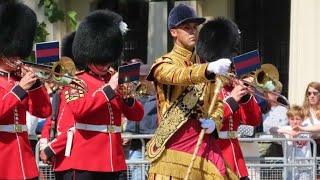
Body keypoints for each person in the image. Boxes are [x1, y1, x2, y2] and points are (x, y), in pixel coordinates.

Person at [41, 9, 144, 180]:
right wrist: (109, 89)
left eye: (108, 60)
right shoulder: (76, 81)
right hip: (86, 160)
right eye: (100, 60)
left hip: (112, 160)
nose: (105, 65)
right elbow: (79, 110)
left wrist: (127, 96)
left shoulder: (112, 79)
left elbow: (137, 115)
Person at [145, 4, 237, 179]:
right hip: (176, 141)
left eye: (195, 27)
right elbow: (178, 75)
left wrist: (214, 123)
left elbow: (216, 103)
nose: (192, 31)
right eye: (186, 28)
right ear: (174, 32)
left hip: (203, 140)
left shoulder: (204, 63)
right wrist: (206, 70)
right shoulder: (163, 63)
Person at [196, 17, 262, 180]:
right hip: (214, 157)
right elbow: (205, 119)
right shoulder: (204, 86)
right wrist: (232, 100)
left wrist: (245, 95)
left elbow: (254, 120)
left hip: (237, 161)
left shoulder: (233, 85)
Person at [0, 1, 52, 179]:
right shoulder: (17, 84)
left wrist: (36, 85)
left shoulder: (18, 79)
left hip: (24, 158)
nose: (18, 57)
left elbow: (44, 111)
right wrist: (19, 89)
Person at [39, 32, 77, 180]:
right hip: (59, 160)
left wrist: (50, 149)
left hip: (72, 159)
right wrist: (44, 146)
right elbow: (51, 120)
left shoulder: (74, 92)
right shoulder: (60, 93)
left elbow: (72, 128)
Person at [123, 58, 158, 180]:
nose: (140, 80)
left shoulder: (159, 96)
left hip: (155, 147)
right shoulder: (133, 94)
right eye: (139, 77)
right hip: (136, 145)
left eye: (143, 77)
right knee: (137, 177)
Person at [277, 105, 311, 180]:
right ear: (288, 119)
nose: (295, 121)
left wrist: (301, 130)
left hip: (305, 167)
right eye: (292, 119)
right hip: (289, 166)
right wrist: (289, 132)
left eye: (297, 119)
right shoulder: (286, 128)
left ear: (302, 119)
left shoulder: (306, 127)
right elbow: (272, 129)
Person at [259, 80, 288, 157]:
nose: (272, 94)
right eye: (269, 91)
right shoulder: (260, 108)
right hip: (261, 145)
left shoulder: (285, 110)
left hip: (277, 146)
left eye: (275, 91)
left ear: (278, 94)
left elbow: (283, 128)